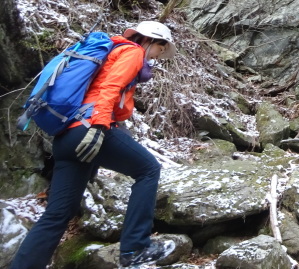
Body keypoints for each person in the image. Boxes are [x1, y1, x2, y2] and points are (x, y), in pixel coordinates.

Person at [10, 21, 177, 269]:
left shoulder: (112, 51)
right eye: (160, 49)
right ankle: (135, 248)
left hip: (66, 138)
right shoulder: (132, 52)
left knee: (57, 214)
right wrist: (98, 128)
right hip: (90, 127)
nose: (158, 56)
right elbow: (110, 88)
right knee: (149, 170)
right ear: (151, 41)